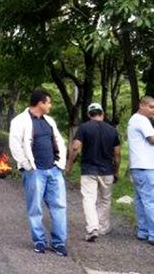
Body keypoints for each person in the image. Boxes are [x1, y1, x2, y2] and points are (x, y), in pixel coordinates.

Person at [9, 89, 68, 256]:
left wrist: (59, 164)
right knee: (35, 208)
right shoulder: (20, 121)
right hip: (35, 172)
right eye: (48, 102)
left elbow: (58, 141)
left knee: (59, 207)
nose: (50, 105)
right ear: (40, 103)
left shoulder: (49, 121)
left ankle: (58, 243)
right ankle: (39, 241)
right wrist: (26, 165)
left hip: (54, 170)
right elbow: (15, 145)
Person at [66, 102, 121, 242]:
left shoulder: (84, 128)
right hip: (107, 171)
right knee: (105, 200)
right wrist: (116, 171)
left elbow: (75, 148)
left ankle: (92, 228)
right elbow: (117, 154)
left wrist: (70, 165)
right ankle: (102, 227)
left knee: (89, 199)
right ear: (102, 114)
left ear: (89, 115)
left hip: (89, 170)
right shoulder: (112, 130)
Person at [127, 96, 154, 245]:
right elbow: (152, 139)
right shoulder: (142, 120)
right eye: (151, 107)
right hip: (146, 166)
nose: (153, 110)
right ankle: (153, 233)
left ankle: (143, 231)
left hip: (137, 166)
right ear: (142, 105)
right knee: (150, 200)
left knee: (140, 200)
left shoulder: (134, 119)